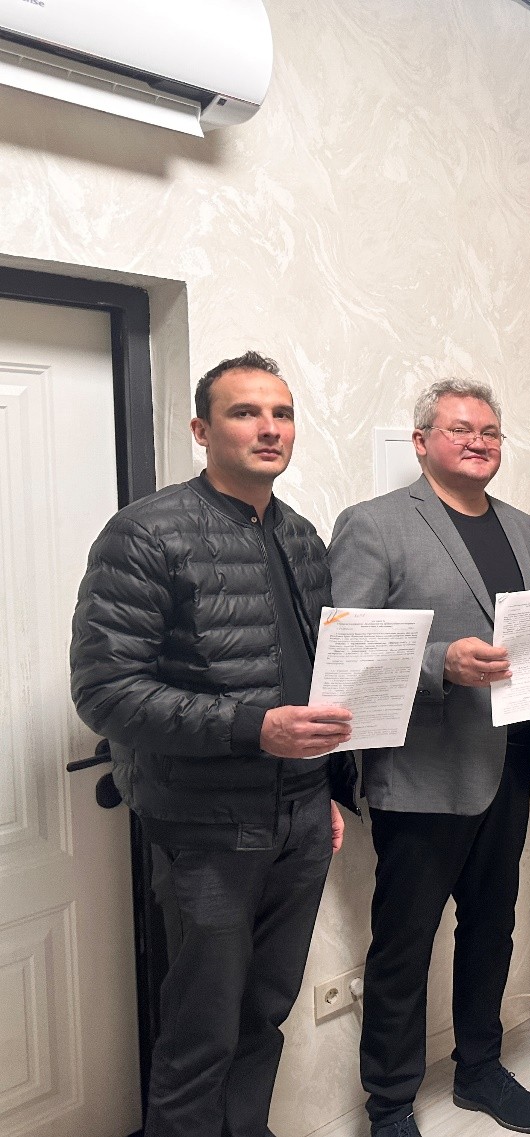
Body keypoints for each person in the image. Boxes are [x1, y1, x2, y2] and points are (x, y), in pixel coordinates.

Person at [71, 351, 355, 1137]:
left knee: (266, 1010)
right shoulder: (146, 533)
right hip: (208, 827)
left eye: (282, 413)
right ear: (201, 430)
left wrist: (324, 790)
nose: (269, 427)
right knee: (202, 1029)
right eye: (245, 411)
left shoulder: (301, 537)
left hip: (301, 817)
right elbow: (105, 691)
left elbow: (319, 678)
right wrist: (250, 724)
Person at [328, 378, 530, 1137]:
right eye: (460, 429)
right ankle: (389, 1105)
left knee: (490, 928)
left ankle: (479, 1068)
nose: (479, 441)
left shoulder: (529, 532)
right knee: (403, 947)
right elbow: (347, 650)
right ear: (421, 443)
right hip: (421, 776)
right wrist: (441, 662)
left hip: (507, 769)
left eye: (491, 432)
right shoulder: (374, 525)